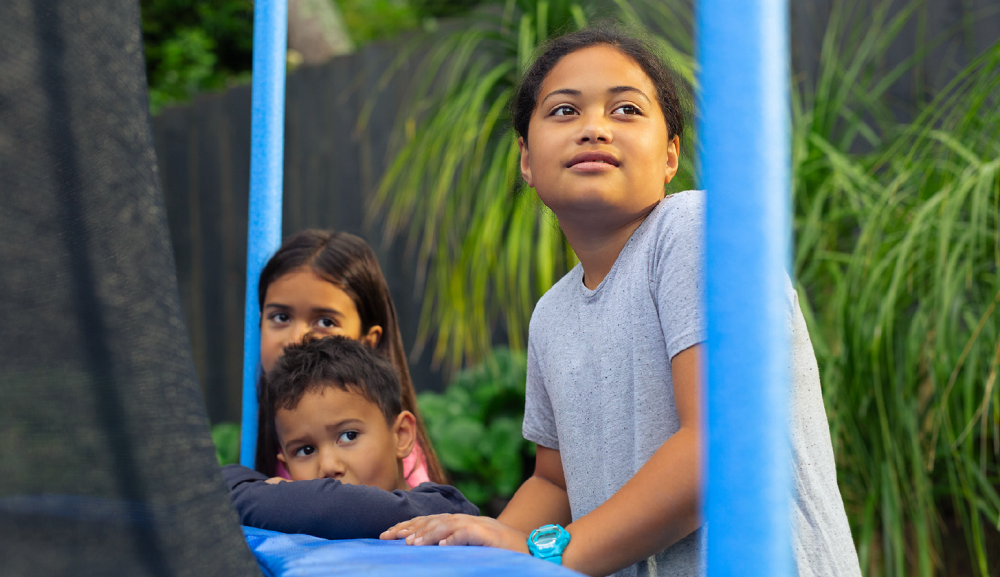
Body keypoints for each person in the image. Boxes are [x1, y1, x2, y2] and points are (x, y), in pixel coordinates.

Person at [380, 25, 861, 577]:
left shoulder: (695, 229)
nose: (593, 129)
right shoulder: (552, 315)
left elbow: (718, 443)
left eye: (626, 110)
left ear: (670, 156)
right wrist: (470, 556)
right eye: (563, 111)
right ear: (526, 160)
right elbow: (554, 481)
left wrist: (547, 553)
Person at [223, 336, 478, 539]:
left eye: (348, 435)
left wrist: (280, 498)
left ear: (401, 435)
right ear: (286, 464)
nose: (328, 466)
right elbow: (223, 481)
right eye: (305, 450)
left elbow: (339, 506)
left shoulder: (441, 510)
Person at [252, 229, 445, 487]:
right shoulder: (268, 424)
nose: (296, 338)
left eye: (325, 321)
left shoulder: (390, 453)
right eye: (281, 317)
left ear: (368, 341)